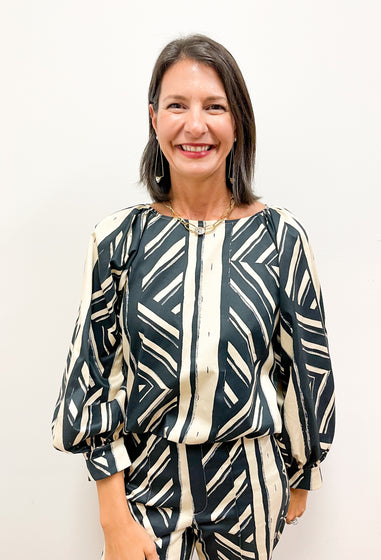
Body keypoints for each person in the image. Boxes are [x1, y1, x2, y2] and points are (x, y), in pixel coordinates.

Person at [52, 34, 335, 560]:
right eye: (178, 105)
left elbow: (304, 368)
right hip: (144, 495)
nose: (196, 125)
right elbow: (93, 375)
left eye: (215, 107)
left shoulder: (280, 238)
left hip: (249, 498)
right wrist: (113, 516)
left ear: (238, 122)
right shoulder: (120, 240)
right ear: (154, 118)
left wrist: (302, 471)